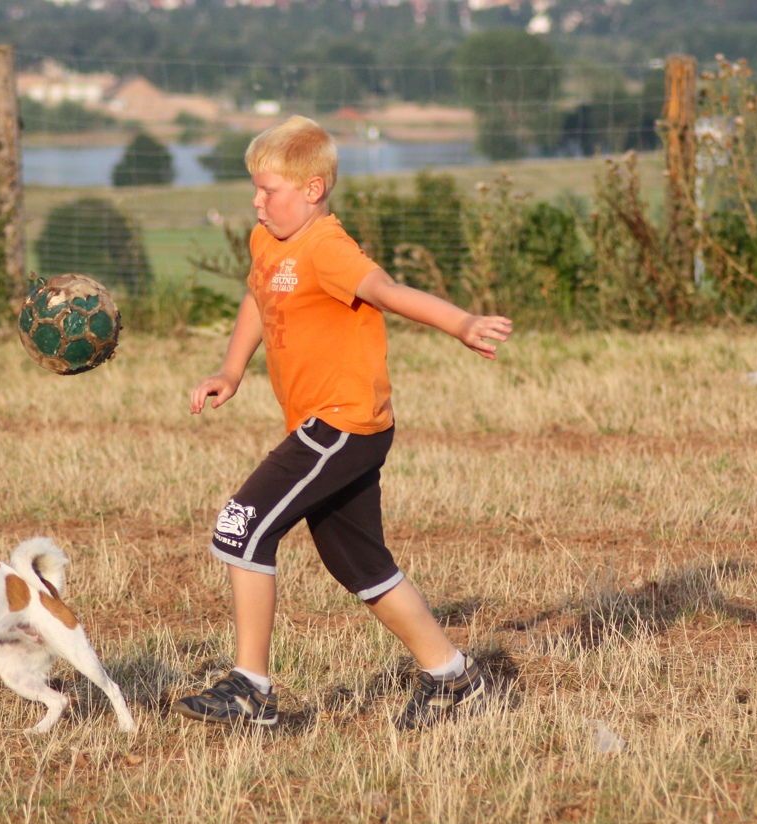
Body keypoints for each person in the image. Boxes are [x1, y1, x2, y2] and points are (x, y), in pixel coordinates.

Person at [172, 116, 513, 731]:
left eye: (268, 190)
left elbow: (386, 289)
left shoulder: (326, 246)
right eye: (253, 188)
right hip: (328, 427)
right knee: (361, 565)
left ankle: (251, 688)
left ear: (313, 189)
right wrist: (232, 369)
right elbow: (258, 295)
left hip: (343, 426)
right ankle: (456, 680)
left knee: (239, 530)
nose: (256, 201)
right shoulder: (267, 240)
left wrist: (461, 323)